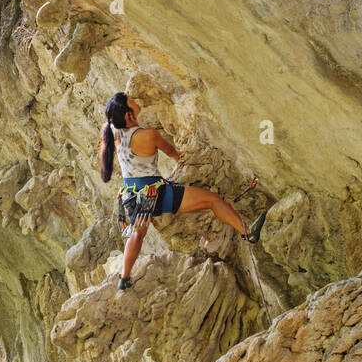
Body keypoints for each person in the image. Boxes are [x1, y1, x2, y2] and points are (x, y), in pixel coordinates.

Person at [99, 92, 267, 290]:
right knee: (213, 200)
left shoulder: (110, 131)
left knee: (137, 234)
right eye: (130, 101)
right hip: (156, 194)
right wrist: (189, 164)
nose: (134, 100)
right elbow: (173, 153)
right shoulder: (148, 135)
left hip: (131, 196)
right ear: (128, 114)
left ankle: (124, 278)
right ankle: (247, 232)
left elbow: (105, 162)